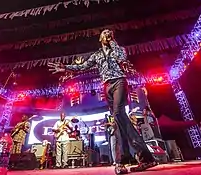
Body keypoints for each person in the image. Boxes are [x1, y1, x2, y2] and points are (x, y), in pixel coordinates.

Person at [48, 29, 156, 174]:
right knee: (119, 120)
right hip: (107, 86)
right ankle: (135, 159)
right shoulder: (97, 55)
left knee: (118, 113)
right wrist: (65, 67)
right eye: (105, 33)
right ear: (100, 38)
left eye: (110, 33)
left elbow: (122, 57)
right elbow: (82, 66)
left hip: (119, 81)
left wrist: (112, 42)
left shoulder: (117, 49)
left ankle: (134, 158)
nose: (107, 34)